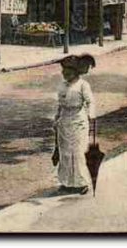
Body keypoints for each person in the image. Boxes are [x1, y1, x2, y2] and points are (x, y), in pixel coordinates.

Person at [54, 54, 97, 195]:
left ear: (75, 72)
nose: (64, 73)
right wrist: (57, 117)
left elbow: (90, 102)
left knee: (78, 152)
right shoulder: (62, 86)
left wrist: (91, 115)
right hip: (64, 121)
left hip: (78, 120)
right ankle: (66, 182)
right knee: (65, 153)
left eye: (68, 71)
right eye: (63, 70)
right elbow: (60, 105)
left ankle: (81, 183)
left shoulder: (83, 85)